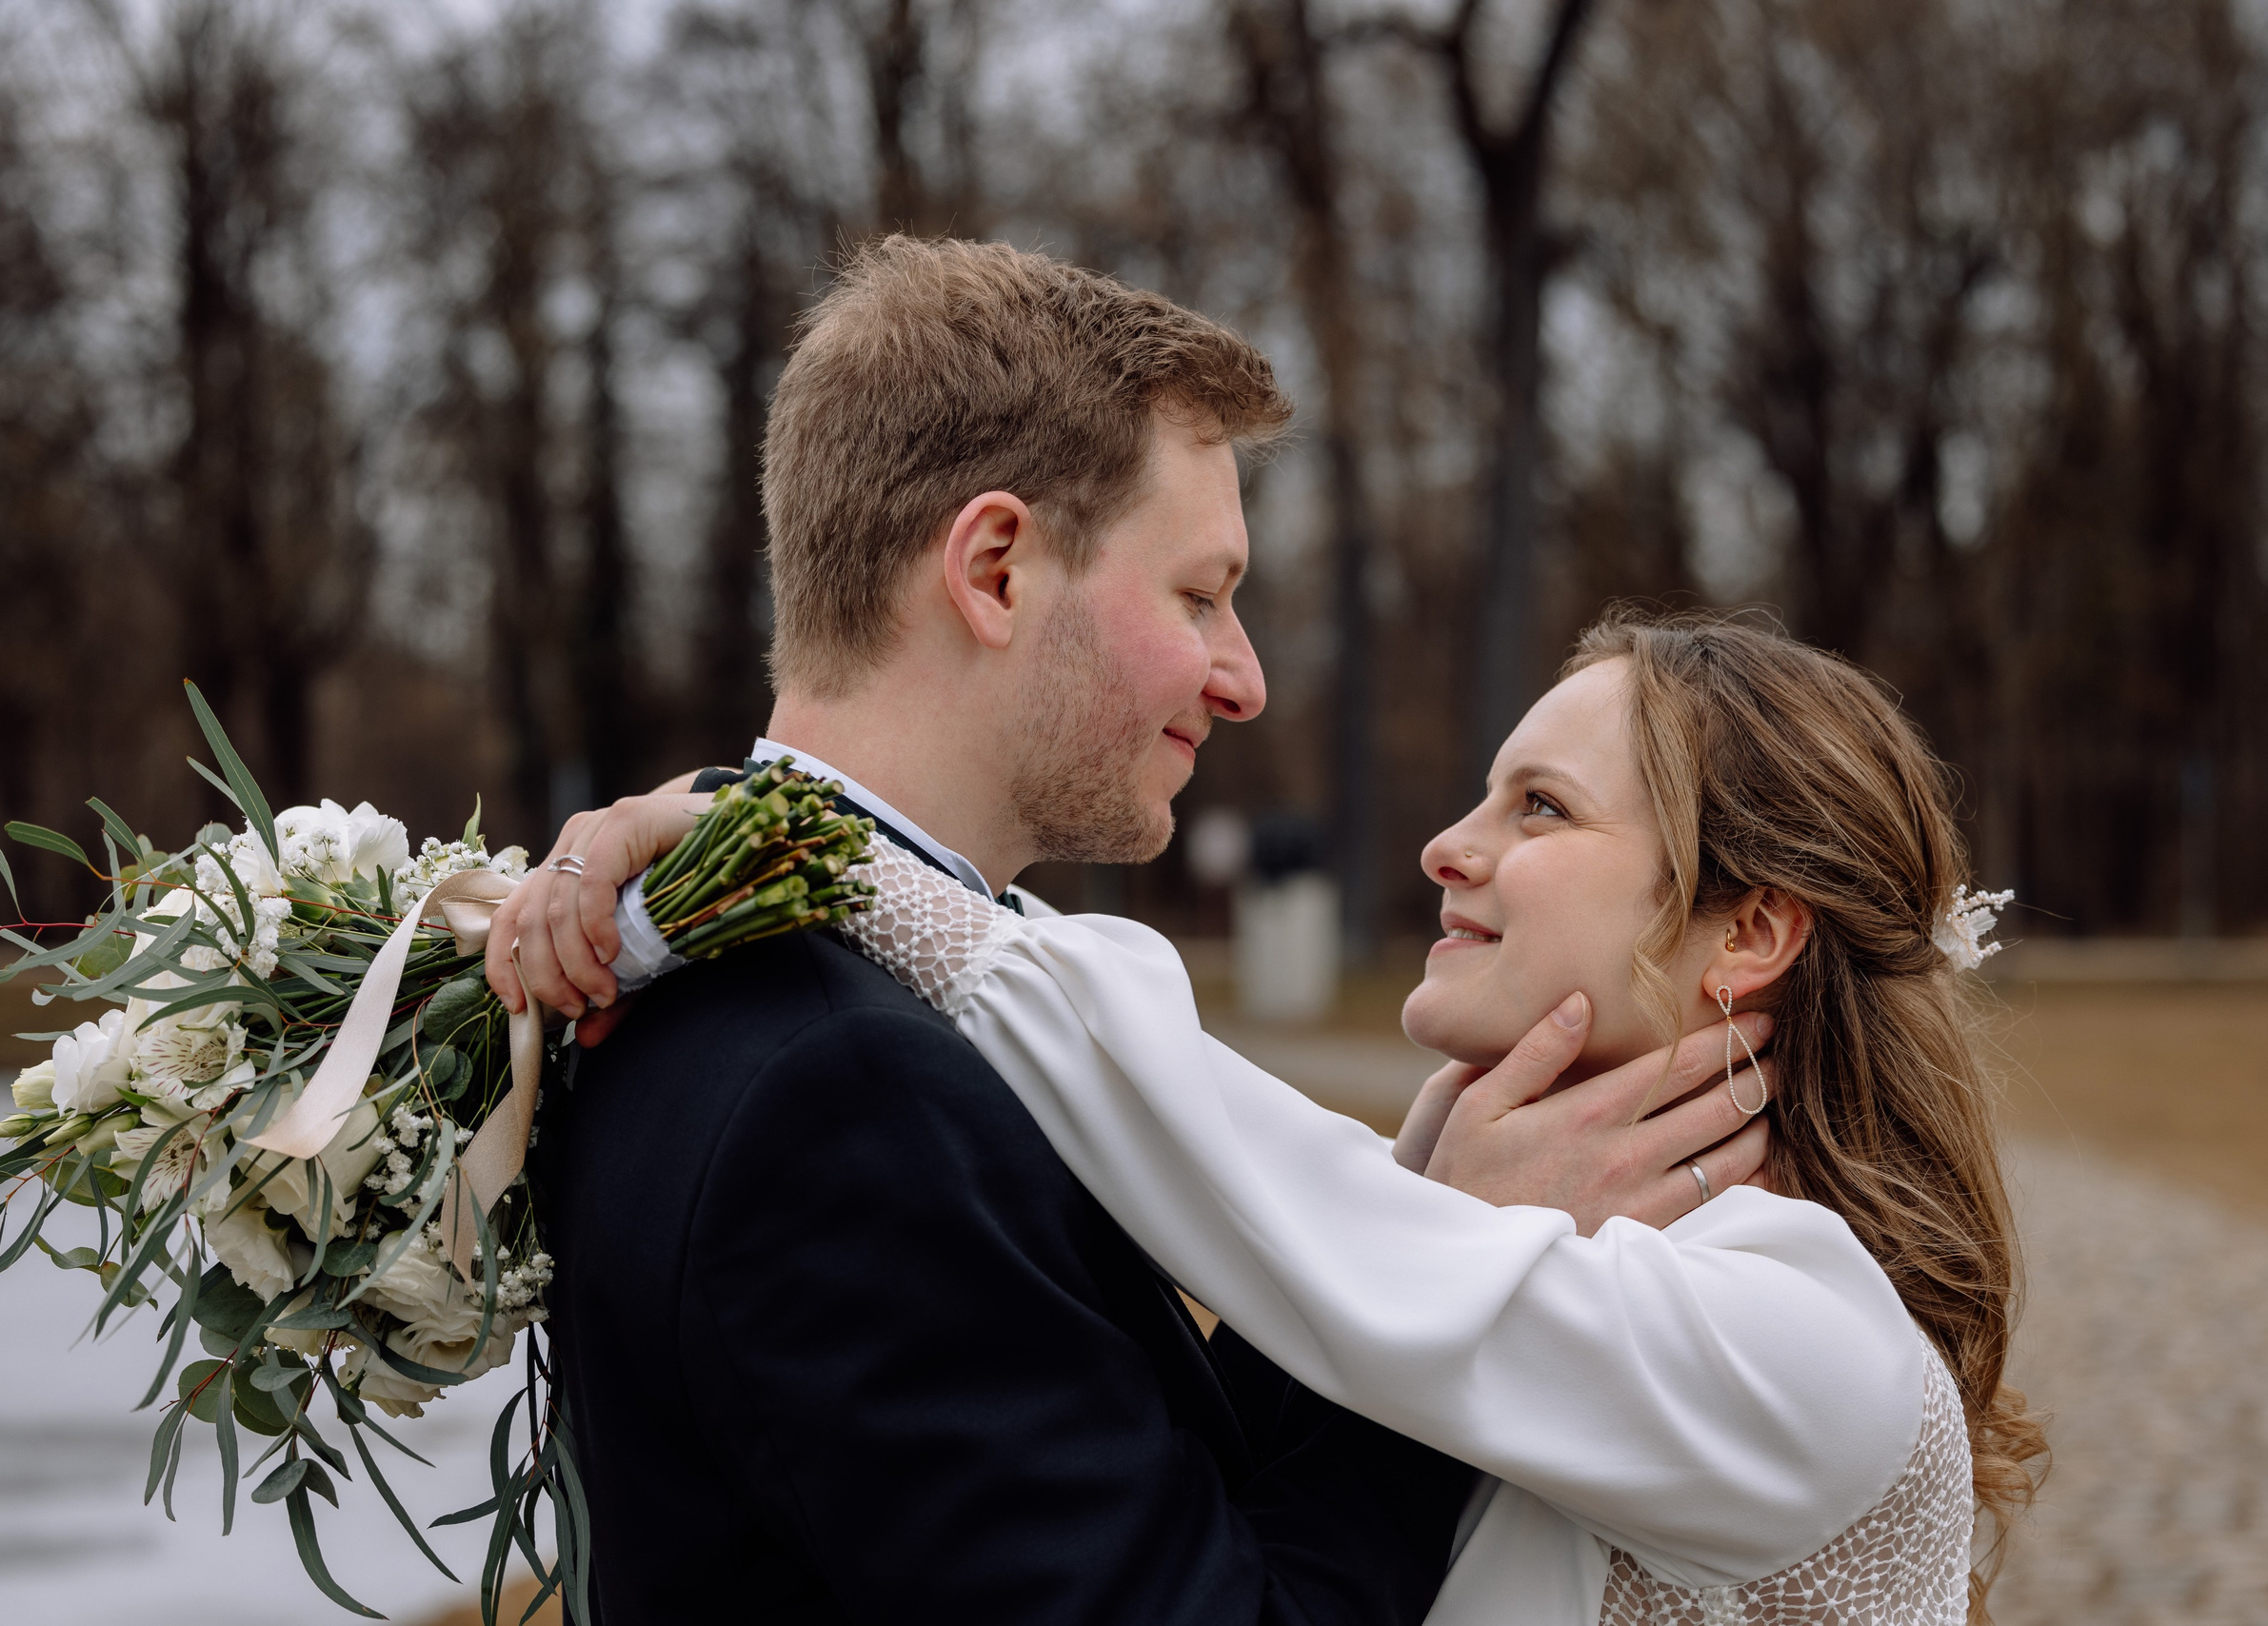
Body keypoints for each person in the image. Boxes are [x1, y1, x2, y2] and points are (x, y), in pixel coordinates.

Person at [491, 237, 1776, 1625]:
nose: (1245, 681)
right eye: (1200, 596)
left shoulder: (754, 974)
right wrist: (1462, 1281)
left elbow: (1139, 1483)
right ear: (994, 570)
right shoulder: (846, 1092)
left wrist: (1413, 1242)